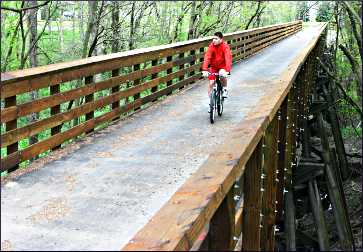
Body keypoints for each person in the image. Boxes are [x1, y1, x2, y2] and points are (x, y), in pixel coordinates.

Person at [201, 31, 232, 100]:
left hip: (222, 67)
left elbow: (228, 58)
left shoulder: (225, 46)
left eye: (216, 39)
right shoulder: (211, 46)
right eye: (213, 38)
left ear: (221, 39)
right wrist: (205, 70)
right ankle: (211, 102)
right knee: (211, 83)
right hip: (214, 67)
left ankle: (225, 89)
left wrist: (227, 70)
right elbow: (207, 57)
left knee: (222, 75)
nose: (214, 40)